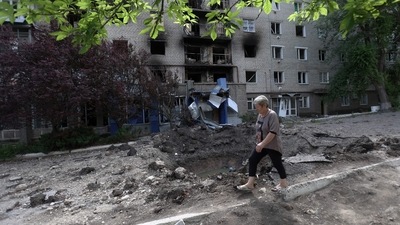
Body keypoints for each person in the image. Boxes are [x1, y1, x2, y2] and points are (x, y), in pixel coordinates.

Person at [237, 95, 288, 192]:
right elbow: (259, 127)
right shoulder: (260, 115)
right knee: (253, 159)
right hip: (262, 144)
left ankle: (283, 183)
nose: (256, 109)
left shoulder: (272, 115)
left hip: (272, 145)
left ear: (264, 105)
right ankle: (250, 184)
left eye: (258, 107)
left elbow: (273, 132)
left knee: (277, 163)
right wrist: (258, 137)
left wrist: (262, 144)